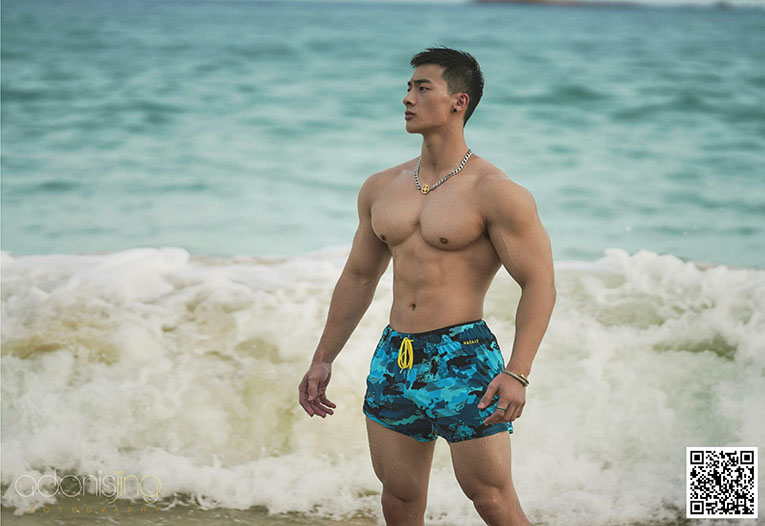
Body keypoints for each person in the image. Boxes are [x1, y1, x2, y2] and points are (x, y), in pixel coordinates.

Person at [298, 46, 556, 526]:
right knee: (398, 499)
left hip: (463, 356)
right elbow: (359, 276)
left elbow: (539, 282)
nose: (407, 98)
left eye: (422, 88)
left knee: (491, 499)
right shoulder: (381, 187)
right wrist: (323, 357)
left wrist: (518, 373)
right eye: (408, 88)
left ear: (459, 101)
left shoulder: (494, 192)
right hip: (395, 356)